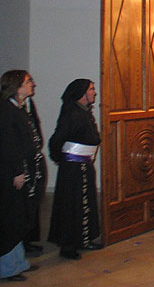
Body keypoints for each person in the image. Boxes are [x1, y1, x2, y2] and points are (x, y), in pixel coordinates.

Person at [48, 79, 103, 260]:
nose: (94, 92)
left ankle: (84, 238)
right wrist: (60, 158)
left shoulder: (85, 112)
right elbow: (57, 139)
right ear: (82, 94)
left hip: (83, 166)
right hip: (72, 168)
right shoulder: (71, 112)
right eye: (91, 89)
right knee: (71, 205)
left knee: (84, 203)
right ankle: (68, 245)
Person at [0, 70, 40, 281]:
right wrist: (17, 171)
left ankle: (18, 263)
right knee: (11, 219)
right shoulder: (6, 110)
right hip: (11, 174)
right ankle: (7, 268)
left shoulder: (21, 108)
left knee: (20, 217)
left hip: (23, 171)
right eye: (28, 81)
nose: (32, 84)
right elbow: (7, 145)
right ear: (16, 86)